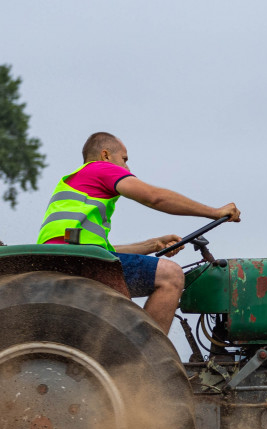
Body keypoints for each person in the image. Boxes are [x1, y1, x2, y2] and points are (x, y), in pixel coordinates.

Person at [38, 132, 240, 333]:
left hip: (70, 259)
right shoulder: (101, 169)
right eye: (124, 160)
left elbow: (108, 251)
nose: (127, 168)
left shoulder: (76, 187)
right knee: (171, 275)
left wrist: (152, 245)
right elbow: (154, 197)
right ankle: (148, 358)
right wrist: (214, 212)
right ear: (106, 155)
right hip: (83, 261)